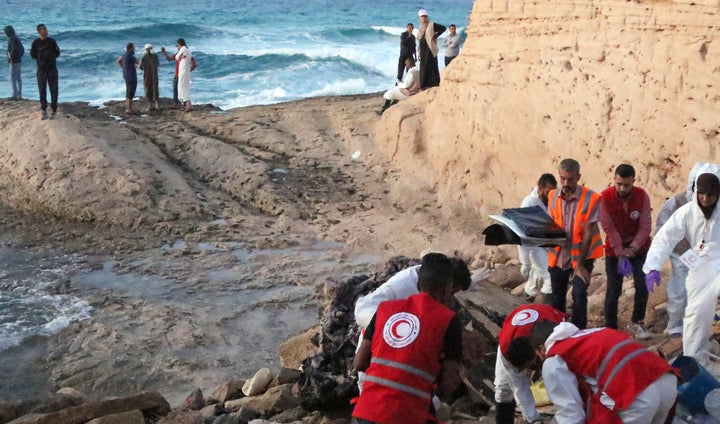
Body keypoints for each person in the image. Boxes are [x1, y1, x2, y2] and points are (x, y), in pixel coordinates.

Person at [351, 253, 463, 424]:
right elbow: (448, 384)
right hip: (408, 415)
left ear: (418, 285)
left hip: (367, 413)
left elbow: (359, 363)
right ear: (447, 289)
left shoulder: (384, 309)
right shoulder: (448, 320)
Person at [511, 320, 677, 424]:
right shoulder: (594, 332)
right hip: (667, 383)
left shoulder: (554, 359)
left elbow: (571, 415)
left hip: (635, 399)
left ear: (541, 348)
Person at [644, 169, 720, 363]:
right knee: (696, 314)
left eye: (710, 194)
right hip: (700, 268)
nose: (705, 198)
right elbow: (665, 238)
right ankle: (695, 360)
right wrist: (653, 266)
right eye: (701, 193)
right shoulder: (687, 212)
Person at [547, 158, 603, 329]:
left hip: (582, 256)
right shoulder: (552, 195)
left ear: (578, 177)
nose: (565, 183)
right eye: (562, 178)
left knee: (579, 294)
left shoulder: (592, 198)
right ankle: (558, 332)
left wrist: (579, 266)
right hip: (558, 255)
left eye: (570, 179)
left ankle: (578, 331)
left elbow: (588, 232)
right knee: (557, 296)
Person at [599, 164, 652, 339]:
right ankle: (610, 328)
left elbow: (645, 227)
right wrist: (621, 251)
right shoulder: (605, 198)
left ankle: (637, 322)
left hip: (639, 248)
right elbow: (609, 227)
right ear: (614, 180)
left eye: (626, 185)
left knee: (642, 285)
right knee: (614, 289)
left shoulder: (642, 196)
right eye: (619, 184)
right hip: (615, 250)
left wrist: (634, 247)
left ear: (633, 182)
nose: (622, 188)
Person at [655, 161, 706, 338]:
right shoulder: (677, 201)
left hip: (703, 252)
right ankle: (675, 324)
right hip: (682, 251)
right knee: (681, 287)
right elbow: (663, 226)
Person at [494, 304, 565, 424]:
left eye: (526, 366)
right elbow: (520, 389)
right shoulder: (506, 351)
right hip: (513, 331)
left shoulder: (552, 337)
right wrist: (534, 419)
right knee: (504, 389)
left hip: (548, 316)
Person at [517, 173, 557, 304]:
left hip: (548, 244)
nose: (551, 194)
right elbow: (522, 233)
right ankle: (548, 313)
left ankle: (526, 298)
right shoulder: (529, 203)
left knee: (538, 275)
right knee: (550, 277)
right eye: (548, 191)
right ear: (540, 188)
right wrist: (525, 262)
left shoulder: (551, 201)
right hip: (534, 246)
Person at [30, 23, 60, 120]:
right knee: (42, 90)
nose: (46, 30)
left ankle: (54, 110)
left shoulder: (52, 41)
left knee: (54, 90)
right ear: (39, 31)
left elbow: (57, 53)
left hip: (52, 69)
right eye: (44, 29)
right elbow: (33, 55)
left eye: (46, 28)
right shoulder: (36, 43)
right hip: (41, 70)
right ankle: (44, 110)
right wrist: (41, 59)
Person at [160, 41, 196, 109]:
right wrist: (164, 53)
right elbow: (170, 59)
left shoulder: (186, 54)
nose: (178, 48)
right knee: (176, 89)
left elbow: (193, 64)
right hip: (177, 74)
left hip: (182, 74)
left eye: (178, 46)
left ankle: (184, 105)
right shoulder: (178, 54)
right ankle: (177, 104)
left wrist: (187, 71)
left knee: (182, 89)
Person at [417, 9, 445, 89]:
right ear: (420, 18)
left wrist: (436, 36)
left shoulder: (432, 25)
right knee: (423, 66)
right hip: (423, 48)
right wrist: (419, 50)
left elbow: (443, 28)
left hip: (430, 49)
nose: (424, 18)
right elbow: (420, 39)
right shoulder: (420, 27)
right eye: (422, 17)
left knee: (432, 65)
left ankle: (434, 84)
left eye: (425, 16)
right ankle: (423, 85)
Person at [116, 43, 137, 114]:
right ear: (130, 48)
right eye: (134, 48)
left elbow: (118, 61)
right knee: (131, 93)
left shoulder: (124, 55)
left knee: (128, 92)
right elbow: (138, 62)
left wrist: (124, 68)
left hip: (126, 75)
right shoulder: (130, 56)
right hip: (131, 76)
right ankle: (129, 109)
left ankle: (127, 108)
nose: (135, 49)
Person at [5, 25, 24, 100]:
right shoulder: (16, 38)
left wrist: (11, 58)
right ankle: (19, 95)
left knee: (12, 78)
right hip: (18, 60)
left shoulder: (11, 38)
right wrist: (19, 56)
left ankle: (14, 95)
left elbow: (12, 49)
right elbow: (22, 49)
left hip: (14, 60)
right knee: (18, 77)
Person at [139, 43, 160, 111]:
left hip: (151, 75)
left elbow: (140, 66)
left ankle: (155, 104)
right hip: (149, 74)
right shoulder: (144, 57)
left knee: (153, 88)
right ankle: (152, 105)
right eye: (150, 48)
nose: (151, 49)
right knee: (149, 88)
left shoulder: (151, 56)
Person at [175, 38, 193, 112]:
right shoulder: (188, 50)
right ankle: (188, 104)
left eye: (177, 46)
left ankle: (187, 105)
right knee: (186, 86)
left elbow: (176, 57)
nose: (177, 47)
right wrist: (181, 57)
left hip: (183, 71)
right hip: (187, 71)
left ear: (179, 44)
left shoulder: (183, 49)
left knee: (182, 86)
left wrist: (180, 56)